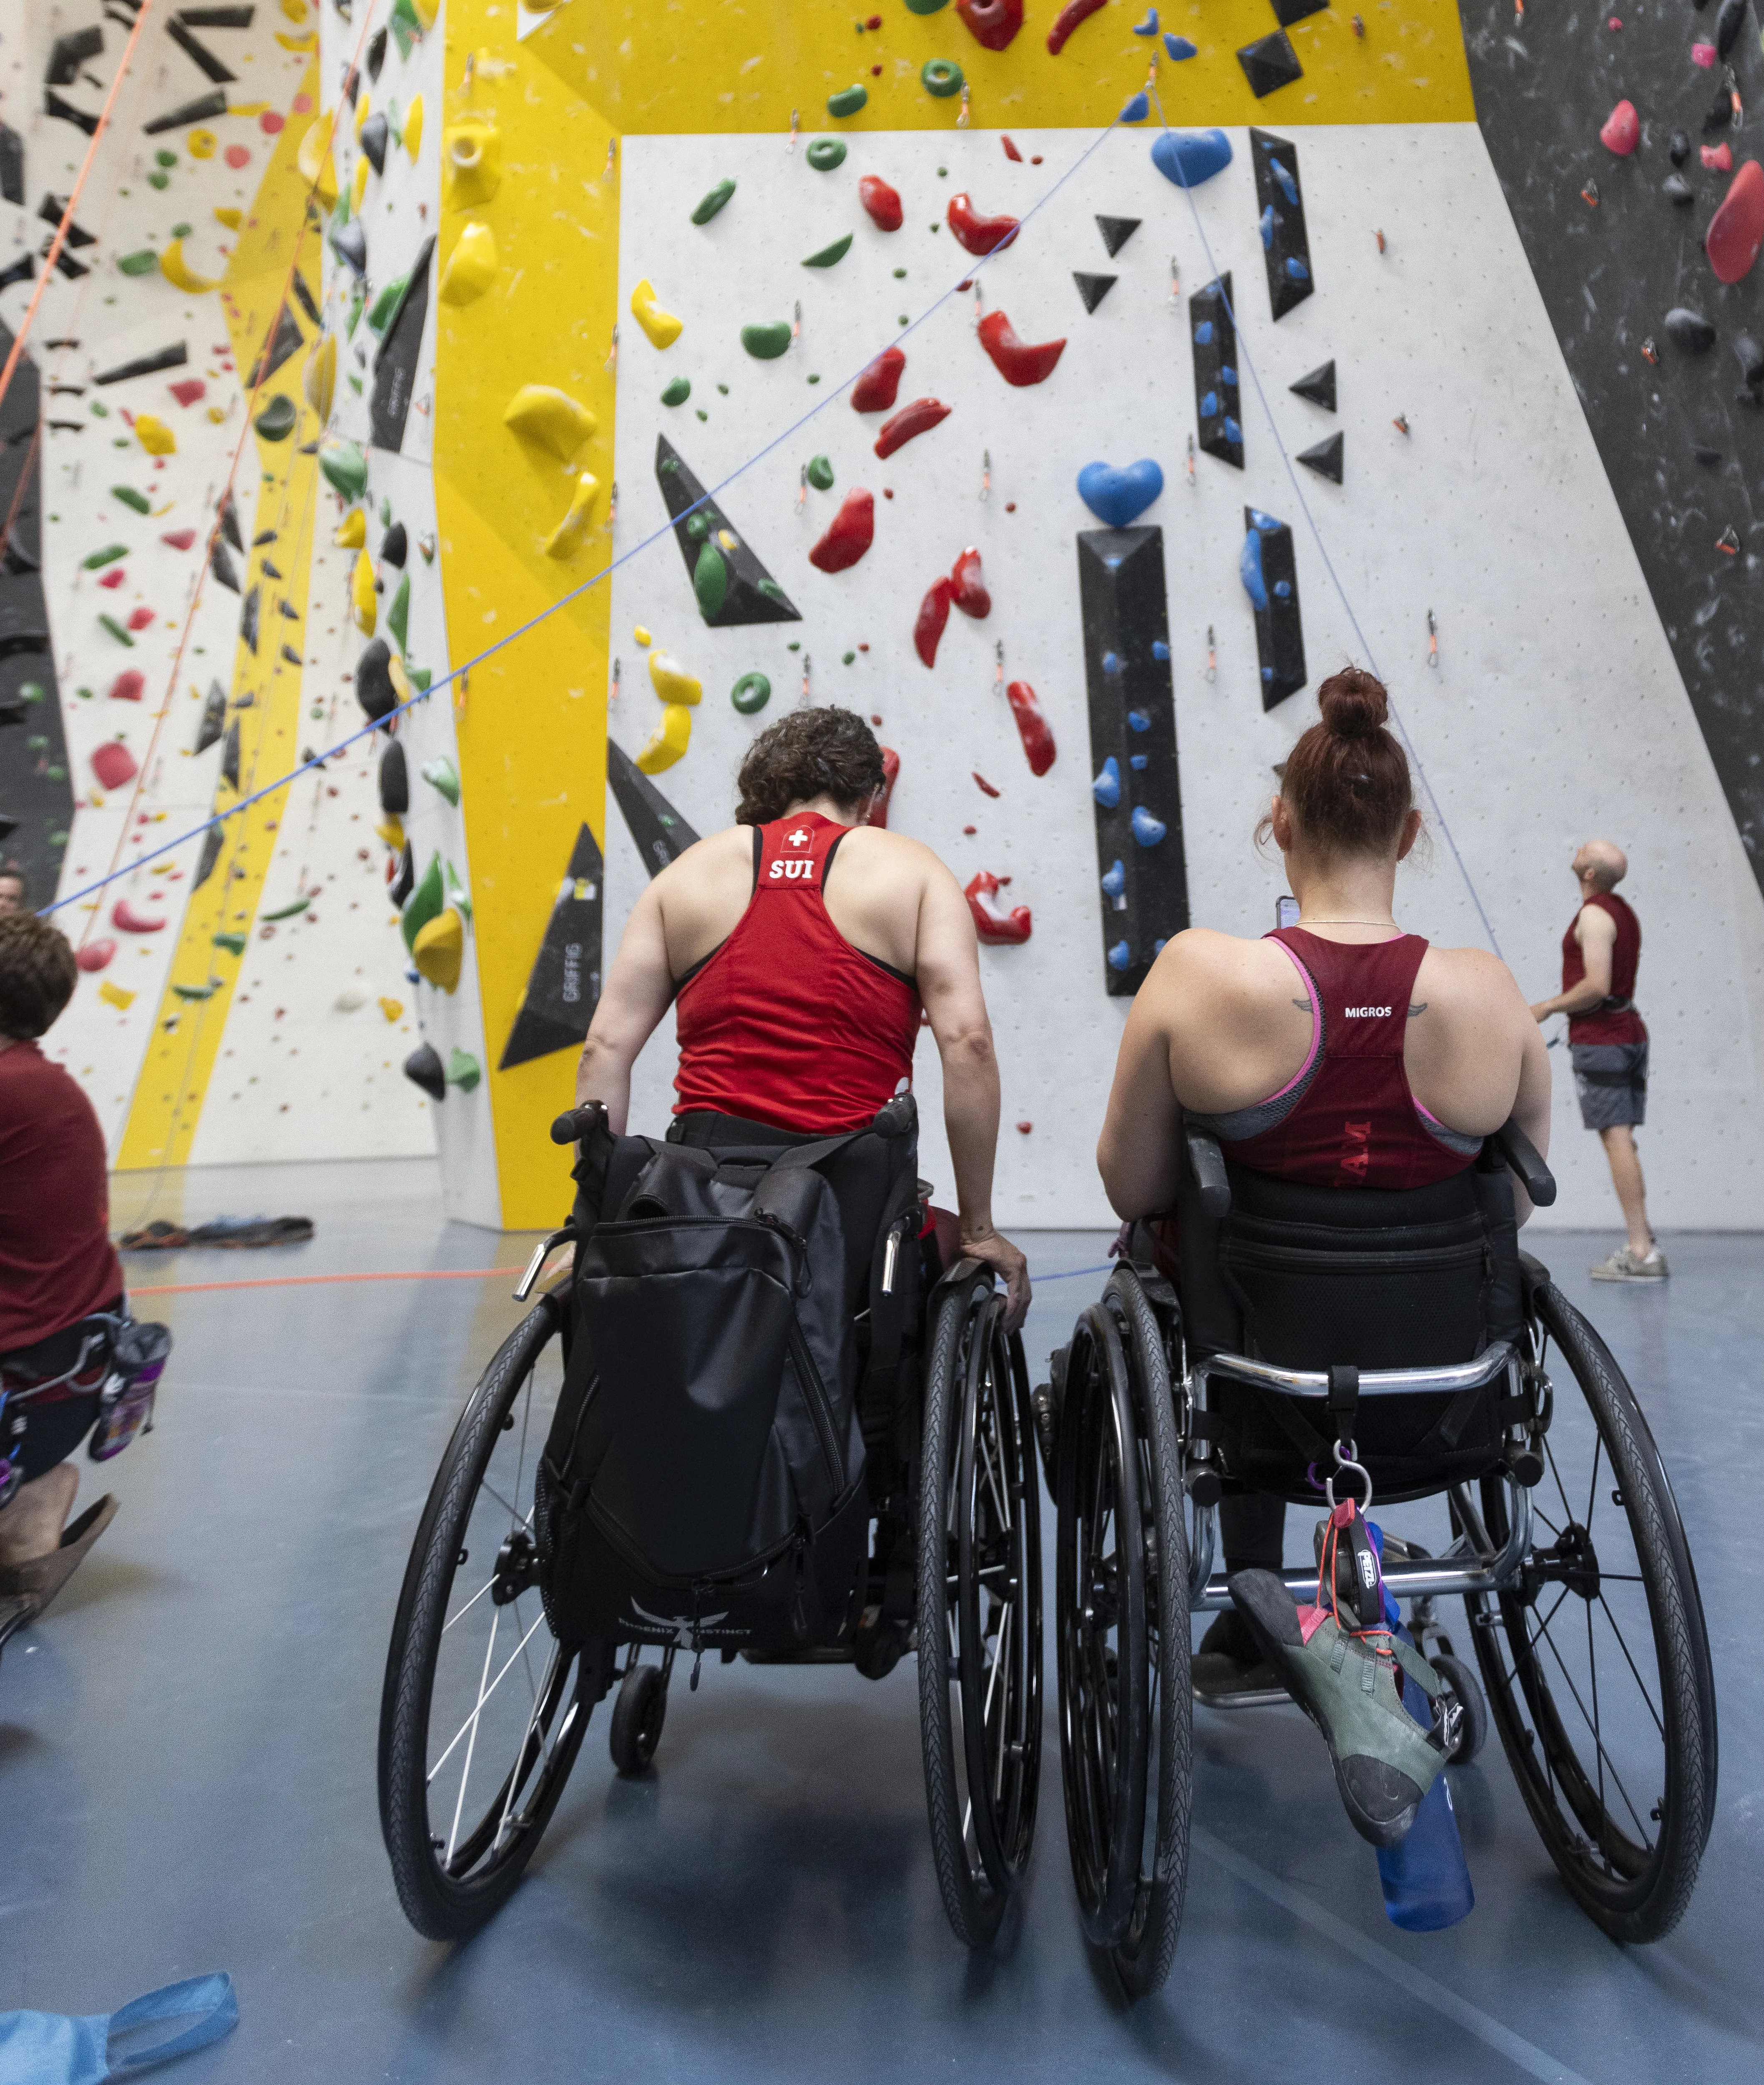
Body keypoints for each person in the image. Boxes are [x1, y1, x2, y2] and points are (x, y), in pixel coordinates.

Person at [1095, 668, 1549, 1843]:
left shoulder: (1202, 975)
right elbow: (1514, 1206)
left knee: (1175, 1259)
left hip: (1255, 1400)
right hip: (1445, 1400)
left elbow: (1133, 1188)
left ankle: (1252, 1605)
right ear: (1409, 834)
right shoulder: (1492, 996)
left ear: (1278, 825)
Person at [573, 704, 1029, 1326]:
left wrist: (595, 1226)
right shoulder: (912, 871)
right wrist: (978, 1228)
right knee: (943, 1243)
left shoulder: (686, 876)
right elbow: (968, 1042)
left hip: (701, 1196)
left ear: (762, 795)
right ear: (870, 797)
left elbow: (603, 1050)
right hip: (850, 1202)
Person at [0, 912, 122, 1627]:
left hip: (28, 1390)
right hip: (67, 1382)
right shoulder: (46, 1084)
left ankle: (32, 1493)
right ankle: (36, 1496)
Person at [1533, 838, 1663, 1283]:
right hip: (1626, 1034)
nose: (1574, 850)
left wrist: (1547, 1007)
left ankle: (1641, 1252)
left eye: (1581, 850)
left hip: (1605, 1039)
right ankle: (1642, 1241)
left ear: (1589, 873)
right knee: (1622, 1139)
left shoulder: (1592, 915)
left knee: (1617, 1139)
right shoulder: (1622, 912)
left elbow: (1596, 985)